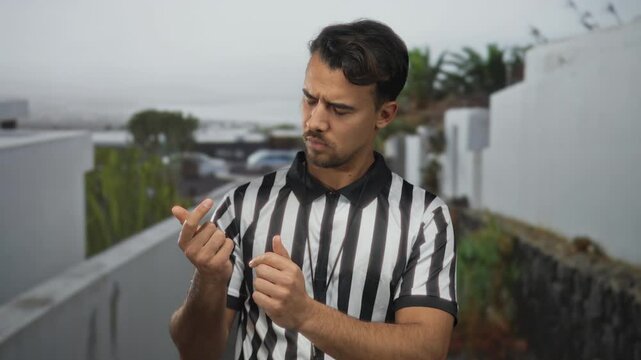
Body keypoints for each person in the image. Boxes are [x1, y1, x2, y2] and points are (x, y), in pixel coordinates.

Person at [169, 19, 457, 360]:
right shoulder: (243, 204)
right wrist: (209, 279)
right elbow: (195, 351)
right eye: (309, 100)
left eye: (339, 109)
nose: (315, 121)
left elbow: (427, 351)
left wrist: (305, 314)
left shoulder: (423, 217)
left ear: (384, 114)